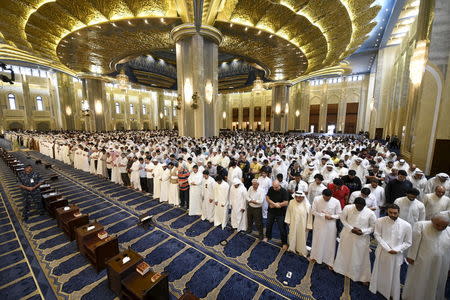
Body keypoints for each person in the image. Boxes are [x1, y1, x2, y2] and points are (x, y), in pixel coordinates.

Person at [369, 204, 412, 300]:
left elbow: (408, 242)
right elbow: (377, 235)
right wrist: (387, 248)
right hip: (382, 251)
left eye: (395, 213)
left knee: (395, 274)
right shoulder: (380, 221)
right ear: (387, 211)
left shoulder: (406, 225)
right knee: (379, 270)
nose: (392, 215)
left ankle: (392, 293)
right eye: (390, 212)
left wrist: (396, 250)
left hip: (396, 254)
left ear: (399, 212)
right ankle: (378, 288)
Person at [403, 213, 450, 300]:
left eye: (444, 226)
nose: (440, 228)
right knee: (420, 280)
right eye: (438, 225)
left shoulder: (448, 230)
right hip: (422, 260)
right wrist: (411, 256)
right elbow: (414, 242)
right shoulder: (421, 225)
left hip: (442, 262)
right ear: (432, 221)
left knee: (437, 281)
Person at [334, 197, 376, 284]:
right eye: (357, 206)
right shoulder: (348, 208)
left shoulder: (370, 213)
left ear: (364, 205)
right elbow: (343, 219)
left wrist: (363, 231)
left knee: (359, 256)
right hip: (347, 234)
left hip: (361, 238)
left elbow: (373, 227)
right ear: (354, 204)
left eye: (361, 207)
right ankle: (342, 270)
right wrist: (351, 229)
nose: (358, 208)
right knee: (345, 252)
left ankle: (358, 275)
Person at [310, 189, 342, 269]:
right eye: (324, 198)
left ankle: (329, 261)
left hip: (330, 225)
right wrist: (323, 215)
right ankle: (314, 256)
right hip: (319, 223)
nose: (326, 199)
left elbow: (339, 214)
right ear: (322, 195)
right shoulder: (317, 199)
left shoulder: (336, 201)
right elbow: (313, 211)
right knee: (317, 240)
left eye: (328, 198)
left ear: (331, 196)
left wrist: (331, 217)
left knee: (330, 242)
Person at [264, 180, 290, 250]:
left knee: (282, 228)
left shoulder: (284, 191)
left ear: (279, 185)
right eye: (274, 187)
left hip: (280, 213)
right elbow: (267, 197)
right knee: (268, 225)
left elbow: (286, 202)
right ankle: (267, 237)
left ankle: (284, 243)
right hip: (271, 211)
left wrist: (277, 205)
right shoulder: (271, 188)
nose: (274, 189)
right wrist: (273, 204)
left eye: (276, 187)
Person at [284, 191, 312, 257]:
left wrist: (308, 225)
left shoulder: (307, 205)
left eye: (300, 198)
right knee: (292, 235)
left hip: (303, 225)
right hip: (293, 223)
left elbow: (310, 217)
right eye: (296, 197)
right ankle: (292, 248)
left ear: (303, 197)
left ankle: (301, 250)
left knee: (302, 237)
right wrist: (288, 221)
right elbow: (288, 212)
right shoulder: (291, 202)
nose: (298, 199)